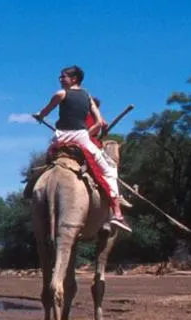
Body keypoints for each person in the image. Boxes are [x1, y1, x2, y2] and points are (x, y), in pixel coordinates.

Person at [33, 65, 131, 233]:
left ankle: (31, 192)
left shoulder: (60, 94)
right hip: (81, 138)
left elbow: (44, 112)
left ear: (74, 79)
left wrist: (39, 116)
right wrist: (90, 130)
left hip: (60, 138)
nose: (60, 79)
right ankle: (116, 213)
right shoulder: (87, 96)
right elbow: (100, 122)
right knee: (109, 170)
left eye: (63, 77)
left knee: (45, 166)